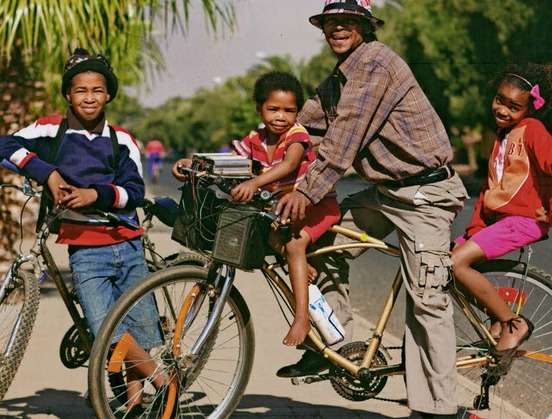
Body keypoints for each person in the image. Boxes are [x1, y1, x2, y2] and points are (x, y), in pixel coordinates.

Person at [274, 1, 469, 418]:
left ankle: (439, 409)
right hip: (383, 193)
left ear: (366, 26)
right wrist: (246, 162)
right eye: (331, 23)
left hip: (424, 195)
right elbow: (304, 124)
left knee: (427, 301)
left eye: (348, 22)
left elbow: (342, 140)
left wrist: (305, 192)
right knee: (319, 243)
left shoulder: (375, 65)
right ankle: (333, 344)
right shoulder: (339, 77)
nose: (338, 29)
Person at [0, 48, 170, 413]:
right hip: (86, 249)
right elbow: (4, 146)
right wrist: (49, 173)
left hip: (128, 241)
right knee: (103, 326)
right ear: (67, 95)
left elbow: (134, 192)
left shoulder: (122, 139)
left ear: (109, 95)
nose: (89, 97)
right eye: (80, 90)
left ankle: (133, 403)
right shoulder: (48, 130)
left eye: (97, 90)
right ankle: (162, 377)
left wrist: (95, 195)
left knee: (139, 325)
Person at [231, 71, 342, 345]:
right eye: (273, 109)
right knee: (260, 228)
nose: (281, 116)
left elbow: (290, 165)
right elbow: (230, 160)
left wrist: (255, 183)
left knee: (293, 246)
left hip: (315, 204)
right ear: (259, 108)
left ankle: (301, 319)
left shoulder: (297, 134)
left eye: (289, 110)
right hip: (281, 209)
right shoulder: (253, 139)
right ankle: (301, 265)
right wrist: (192, 163)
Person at [451, 63, 552, 360]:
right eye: (500, 100)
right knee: (445, 266)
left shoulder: (532, 130)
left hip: (524, 221)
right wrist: (475, 229)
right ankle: (499, 315)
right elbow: (490, 190)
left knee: (457, 263)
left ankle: (512, 323)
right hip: (503, 222)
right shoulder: (502, 134)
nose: (503, 110)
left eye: (514, 106)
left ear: (530, 109)